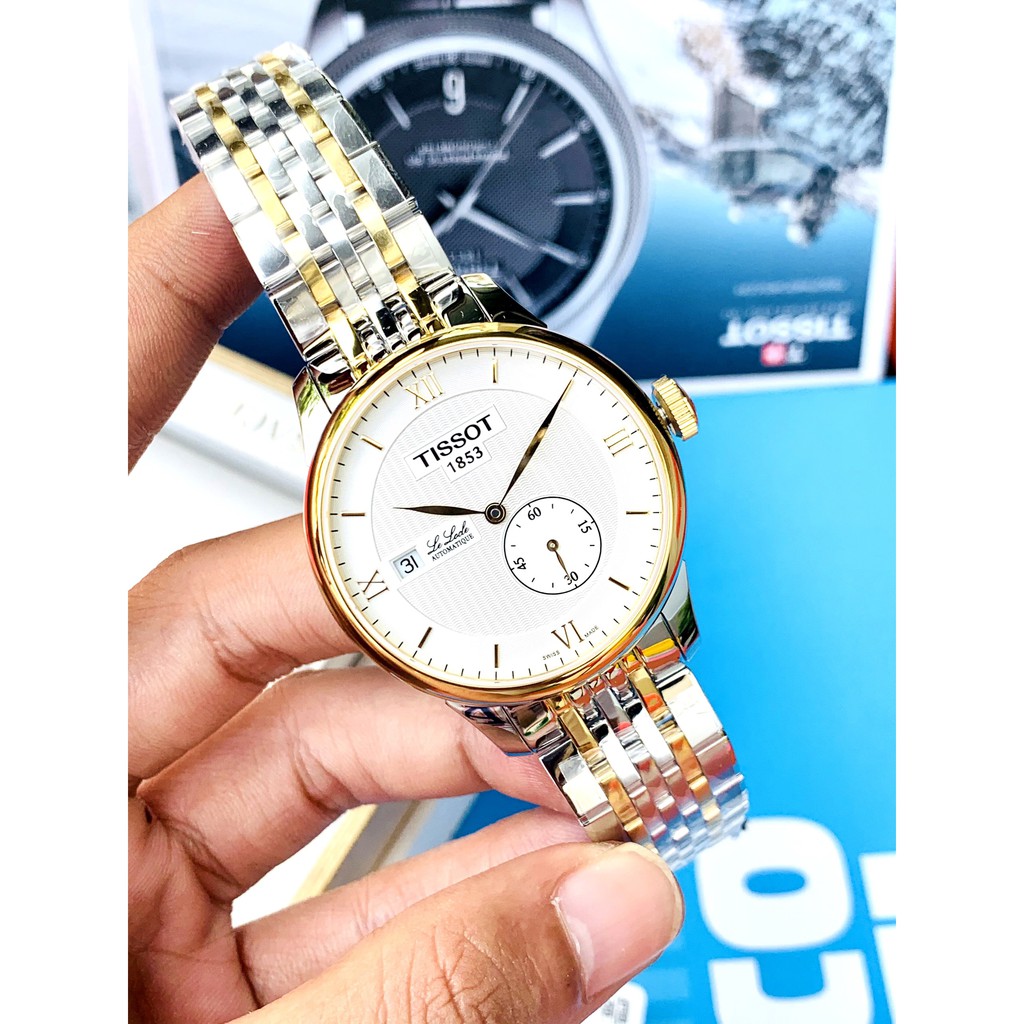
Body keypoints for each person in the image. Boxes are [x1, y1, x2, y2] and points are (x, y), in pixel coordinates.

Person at [128, 175, 683, 1024]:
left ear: (659, 414)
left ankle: (681, 822)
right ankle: (678, 827)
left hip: (616, 606)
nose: (493, 512)